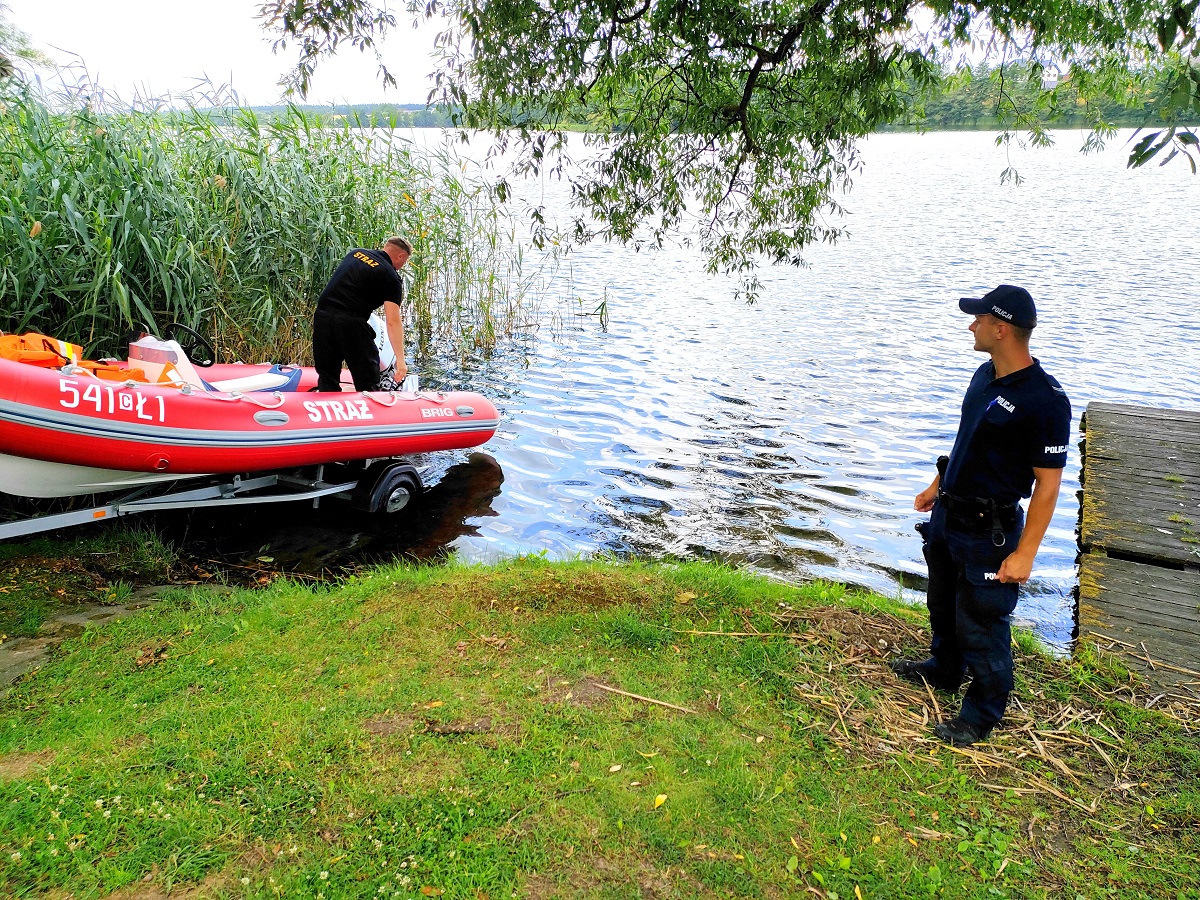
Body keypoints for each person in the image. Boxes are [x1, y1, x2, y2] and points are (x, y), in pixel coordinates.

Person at [893, 284, 1071, 746]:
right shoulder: (984, 373)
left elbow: (1049, 486)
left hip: (988, 533)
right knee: (942, 603)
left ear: (1001, 328)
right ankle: (944, 669)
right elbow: (966, 439)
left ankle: (981, 714)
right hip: (949, 517)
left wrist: (1026, 553)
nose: (971, 325)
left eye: (978, 319)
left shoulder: (1045, 400)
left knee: (983, 623)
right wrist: (938, 485)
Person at [312, 236, 412, 392]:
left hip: (323, 315)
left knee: (327, 375)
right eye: (403, 262)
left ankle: (327, 403)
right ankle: (372, 409)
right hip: (350, 323)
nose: (400, 266)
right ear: (401, 256)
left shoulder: (356, 253)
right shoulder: (391, 277)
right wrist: (400, 360)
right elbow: (393, 322)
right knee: (368, 378)